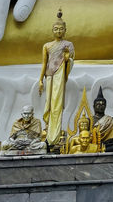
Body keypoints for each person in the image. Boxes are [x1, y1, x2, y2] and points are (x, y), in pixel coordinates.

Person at [38, 10, 74, 149]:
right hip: (49, 74)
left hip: (59, 73)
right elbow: (44, 63)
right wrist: (40, 80)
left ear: (65, 30)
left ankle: (56, 133)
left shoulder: (68, 44)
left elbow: (69, 60)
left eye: (61, 29)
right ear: (52, 30)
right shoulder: (47, 45)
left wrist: (66, 56)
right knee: (49, 104)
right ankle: (48, 129)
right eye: (56, 29)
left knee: (57, 103)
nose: (58, 31)